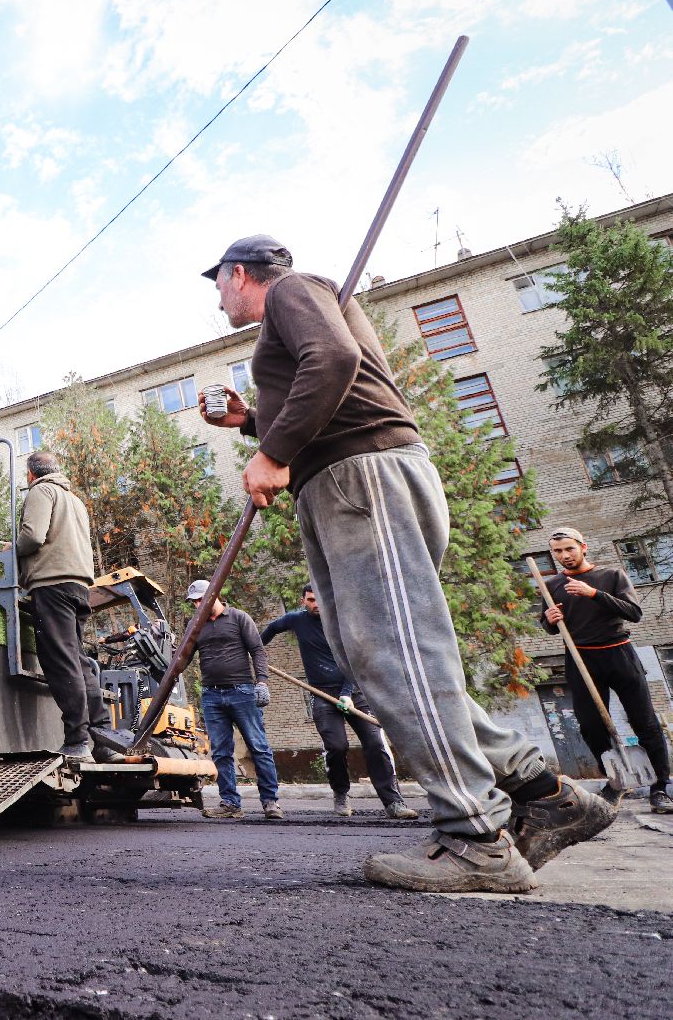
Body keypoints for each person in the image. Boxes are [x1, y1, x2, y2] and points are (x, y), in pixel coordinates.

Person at [199, 233, 612, 893]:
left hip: (362, 482)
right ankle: (543, 790)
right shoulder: (294, 312)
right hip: (347, 484)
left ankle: (477, 837)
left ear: (239, 272)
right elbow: (336, 381)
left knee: (398, 659)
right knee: (387, 662)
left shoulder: (294, 291)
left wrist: (273, 450)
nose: (216, 296)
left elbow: (332, 359)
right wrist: (256, 424)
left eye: (216, 282)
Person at [540, 527, 672, 812]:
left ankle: (660, 788)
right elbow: (549, 627)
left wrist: (593, 594)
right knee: (590, 726)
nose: (563, 555)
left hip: (619, 653)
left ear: (583, 547)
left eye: (569, 549)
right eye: (557, 551)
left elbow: (634, 613)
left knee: (645, 722)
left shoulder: (611, 576)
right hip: (580, 658)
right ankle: (615, 780)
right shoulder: (552, 585)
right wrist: (549, 620)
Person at [262, 584, 418, 819]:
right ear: (303, 601)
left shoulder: (341, 623)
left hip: (355, 692)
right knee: (336, 746)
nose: (316, 604)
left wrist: (347, 693)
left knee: (375, 744)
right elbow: (270, 630)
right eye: (311, 600)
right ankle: (341, 794)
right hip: (322, 693)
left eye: (319, 600)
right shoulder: (296, 620)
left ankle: (393, 802)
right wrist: (254, 650)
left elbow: (353, 661)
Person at [15, 451, 122, 763]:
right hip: (78, 586)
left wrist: (14, 548)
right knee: (79, 660)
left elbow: (33, 536)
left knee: (62, 663)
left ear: (30, 474)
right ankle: (102, 739)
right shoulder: (74, 500)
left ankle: (76, 741)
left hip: (52, 583)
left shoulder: (41, 490)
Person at [187, 579, 283, 820]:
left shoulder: (239, 618)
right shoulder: (195, 625)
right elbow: (184, 657)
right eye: (195, 601)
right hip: (211, 695)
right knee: (220, 751)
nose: (198, 604)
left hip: (242, 692)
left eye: (201, 599)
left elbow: (258, 650)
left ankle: (270, 802)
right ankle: (230, 803)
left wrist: (261, 682)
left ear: (214, 595)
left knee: (259, 747)